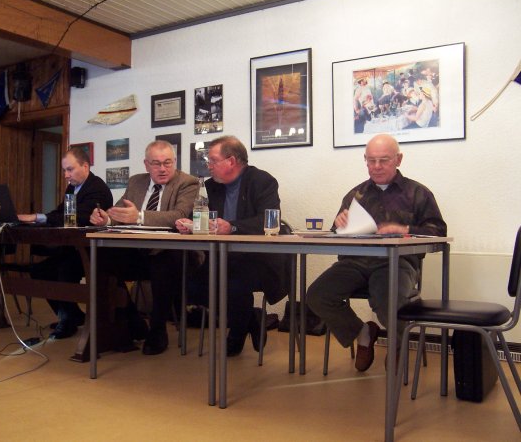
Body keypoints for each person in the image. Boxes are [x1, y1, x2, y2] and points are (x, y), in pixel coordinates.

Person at [306, 134, 446, 372]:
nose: (377, 166)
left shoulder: (418, 193)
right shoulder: (355, 194)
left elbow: (439, 231)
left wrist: (405, 230)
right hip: (355, 263)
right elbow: (336, 234)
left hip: (397, 263)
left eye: (384, 160)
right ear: (365, 160)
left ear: (398, 159)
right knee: (317, 295)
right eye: (371, 161)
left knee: (387, 298)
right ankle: (363, 333)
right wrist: (338, 226)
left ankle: (399, 344)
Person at [176, 135, 290, 356]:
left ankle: (236, 334)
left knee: (234, 282)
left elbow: (268, 219)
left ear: (231, 161)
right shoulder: (211, 187)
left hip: (256, 258)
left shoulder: (262, 181)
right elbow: (201, 216)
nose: (208, 166)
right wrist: (189, 224)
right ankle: (251, 317)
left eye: (213, 160)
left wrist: (233, 227)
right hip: (220, 257)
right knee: (189, 285)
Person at [90, 140, 198, 355]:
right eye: (156, 163)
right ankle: (132, 320)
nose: (162, 168)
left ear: (174, 162)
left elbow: (179, 215)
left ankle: (158, 330)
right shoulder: (136, 182)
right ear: (146, 165)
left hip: (176, 254)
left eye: (168, 163)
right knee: (102, 257)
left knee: (162, 262)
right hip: (139, 252)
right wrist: (106, 219)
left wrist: (139, 216)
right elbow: (119, 212)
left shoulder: (188, 182)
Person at [18, 147, 113, 339]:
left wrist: (38, 217)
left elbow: (77, 218)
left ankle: (68, 320)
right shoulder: (73, 187)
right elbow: (60, 213)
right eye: (64, 170)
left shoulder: (97, 188)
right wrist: (36, 217)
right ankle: (71, 316)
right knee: (40, 271)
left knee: (64, 271)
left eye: (70, 169)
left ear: (85, 166)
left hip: (93, 252)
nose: (66, 175)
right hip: (74, 250)